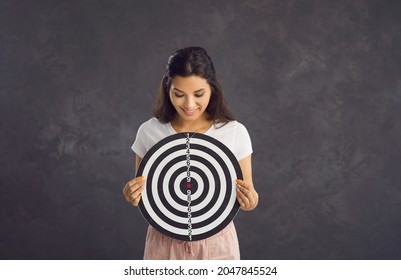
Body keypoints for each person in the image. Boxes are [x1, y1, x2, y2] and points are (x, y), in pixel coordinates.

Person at [122, 46, 259, 260]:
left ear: (213, 89)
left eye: (199, 94)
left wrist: (250, 200)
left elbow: (248, 192)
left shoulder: (234, 132)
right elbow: (147, 196)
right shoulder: (149, 131)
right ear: (167, 89)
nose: (189, 104)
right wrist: (133, 195)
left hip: (218, 244)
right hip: (163, 243)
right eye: (179, 94)